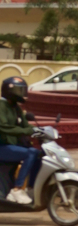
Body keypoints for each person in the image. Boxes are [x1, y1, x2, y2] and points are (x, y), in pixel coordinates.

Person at [0, 76, 40, 206]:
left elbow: (25, 125)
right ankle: (16, 189)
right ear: (9, 91)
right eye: (18, 91)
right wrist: (27, 131)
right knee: (30, 153)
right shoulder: (1, 106)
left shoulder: (15, 107)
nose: (21, 94)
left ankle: (30, 188)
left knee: (39, 155)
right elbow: (4, 127)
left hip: (11, 146)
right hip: (2, 147)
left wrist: (40, 130)